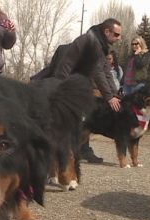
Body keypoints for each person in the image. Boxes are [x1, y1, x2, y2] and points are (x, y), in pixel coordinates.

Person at [32, 18, 123, 163]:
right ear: (107, 31)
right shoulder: (91, 42)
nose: (119, 38)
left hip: (76, 87)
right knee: (62, 127)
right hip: (64, 86)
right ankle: (50, 161)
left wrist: (114, 94)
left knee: (77, 124)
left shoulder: (101, 45)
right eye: (117, 34)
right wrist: (109, 97)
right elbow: (97, 72)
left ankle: (68, 156)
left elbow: (106, 71)